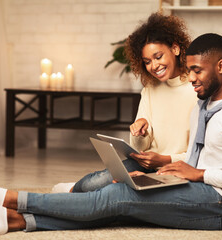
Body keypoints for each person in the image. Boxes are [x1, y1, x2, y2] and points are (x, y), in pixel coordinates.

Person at [0, 33, 222, 235]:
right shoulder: (205, 106)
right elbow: (195, 156)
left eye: (197, 70)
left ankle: (8, 199)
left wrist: (199, 173)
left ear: (220, 67)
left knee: (118, 198)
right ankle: (13, 222)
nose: (191, 78)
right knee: (118, 196)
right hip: (198, 188)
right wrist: (172, 172)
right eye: (189, 70)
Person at [52, 12, 198, 193]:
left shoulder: (197, 90)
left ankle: (76, 195)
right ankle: (72, 191)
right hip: (148, 164)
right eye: (147, 61)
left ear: (175, 49)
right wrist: (139, 132)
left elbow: (198, 154)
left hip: (177, 167)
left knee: (116, 191)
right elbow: (139, 148)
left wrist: (164, 160)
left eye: (158, 56)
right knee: (98, 181)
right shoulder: (150, 90)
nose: (154, 66)